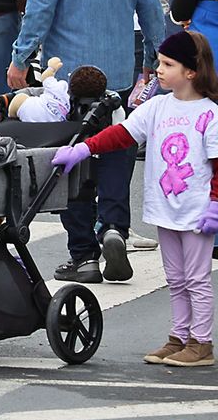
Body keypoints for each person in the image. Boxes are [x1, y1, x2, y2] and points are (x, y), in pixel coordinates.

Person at [12, 0, 165, 283]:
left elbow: (41, 6)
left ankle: (84, 253)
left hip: (69, 73)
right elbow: (148, 3)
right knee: (116, 147)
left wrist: (21, 57)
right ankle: (115, 226)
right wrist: (155, 55)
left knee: (74, 158)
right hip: (118, 63)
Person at [53, 29, 218, 367]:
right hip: (166, 210)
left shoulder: (210, 115)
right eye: (159, 62)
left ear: (191, 71)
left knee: (196, 279)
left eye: (167, 64)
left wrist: (215, 204)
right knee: (175, 278)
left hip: (197, 211)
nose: (158, 69)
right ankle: (179, 336)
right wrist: (84, 148)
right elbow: (121, 134)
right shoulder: (157, 106)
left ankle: (201, 343)